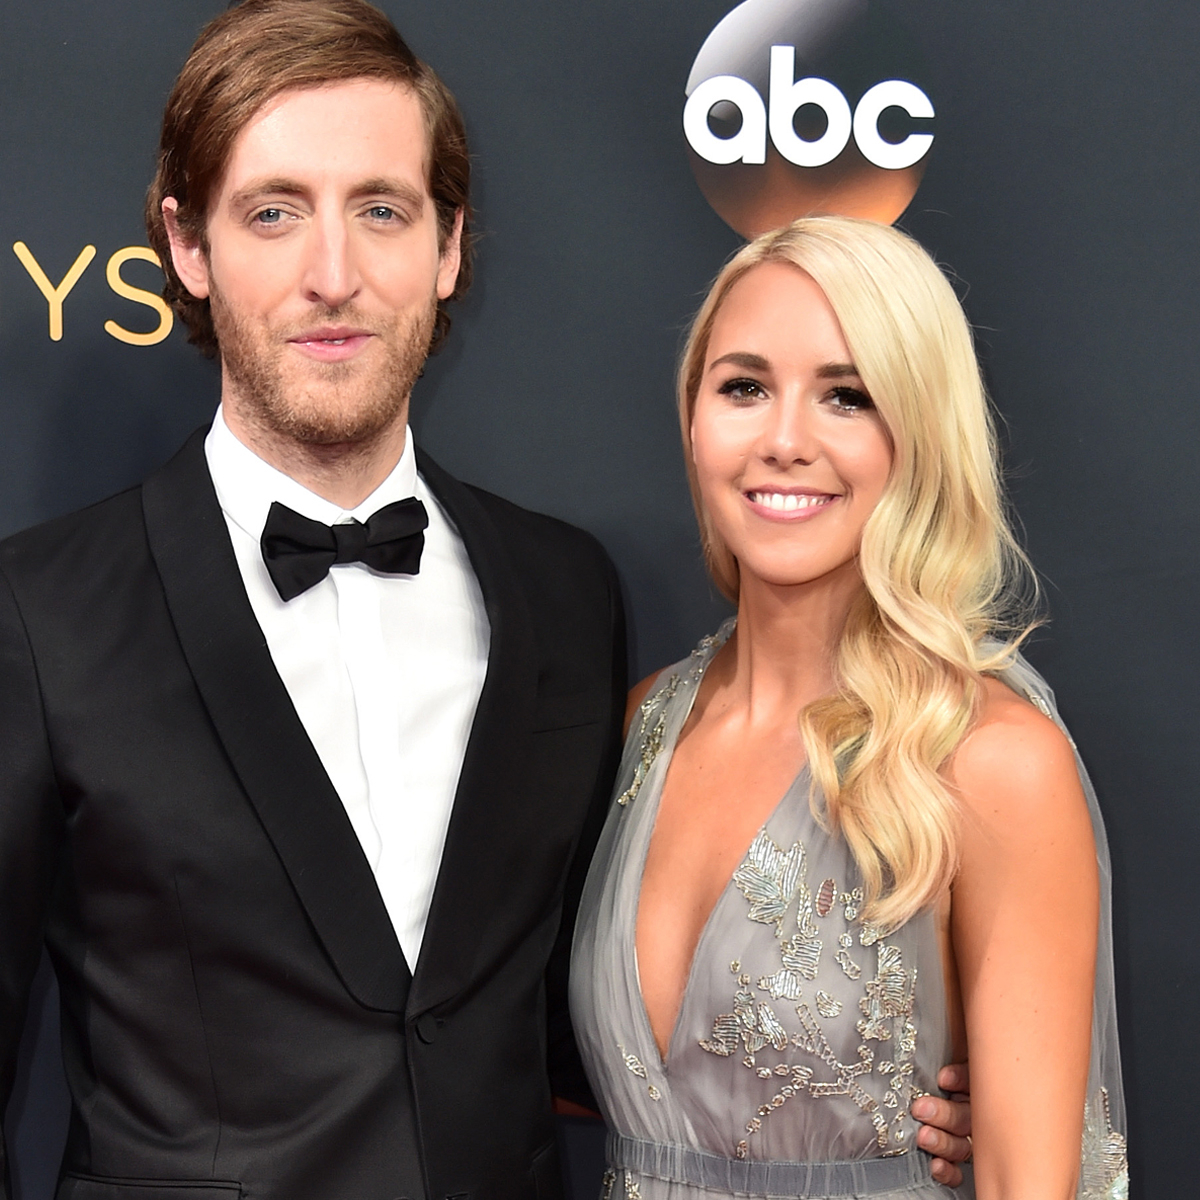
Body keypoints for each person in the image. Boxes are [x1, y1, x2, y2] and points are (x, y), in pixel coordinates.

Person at [0, 3, 973, 1197]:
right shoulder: (36, 617)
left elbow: (585, 1005)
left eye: (382, 210)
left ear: (449, 246)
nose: (335, 275)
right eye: (273, 212)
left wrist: (867, 1094)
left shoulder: (562, 594)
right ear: (188, 247)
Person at [570, 216, 1128, 1199]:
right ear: (694, 419)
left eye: (847, 396)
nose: (786, 440)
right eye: (743, 387)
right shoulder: (639, 727)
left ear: (918, 433)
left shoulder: (992, 762)